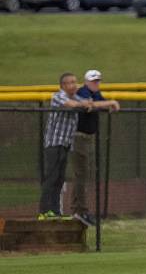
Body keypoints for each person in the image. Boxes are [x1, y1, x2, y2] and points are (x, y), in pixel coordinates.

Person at [38, 73, 92, 220]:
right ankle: (44, 211)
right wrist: (85, 104)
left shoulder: (76, 97)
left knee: (60, 178)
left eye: (75, 82)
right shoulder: (58, 96)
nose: (73, 85)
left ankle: (55, 211)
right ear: (62, 86)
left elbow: (88, 103)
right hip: (54, 143)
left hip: (66, 144)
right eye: (70, 83)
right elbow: (71, 105)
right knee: (52, 177)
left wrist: (111, 103)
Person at [71, 69, 120, 225]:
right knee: (81, 175)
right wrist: (110, 103)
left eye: (98, 81)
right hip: (79, 138)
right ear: (86, 82)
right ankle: (80, 211)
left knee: (84, 174)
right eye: (93, 81)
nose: (96, 83)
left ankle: (78, 210)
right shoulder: (83, 91)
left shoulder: (95, 93)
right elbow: (90, 105)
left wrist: (108, 105)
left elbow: (101, 104)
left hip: (88, 139)